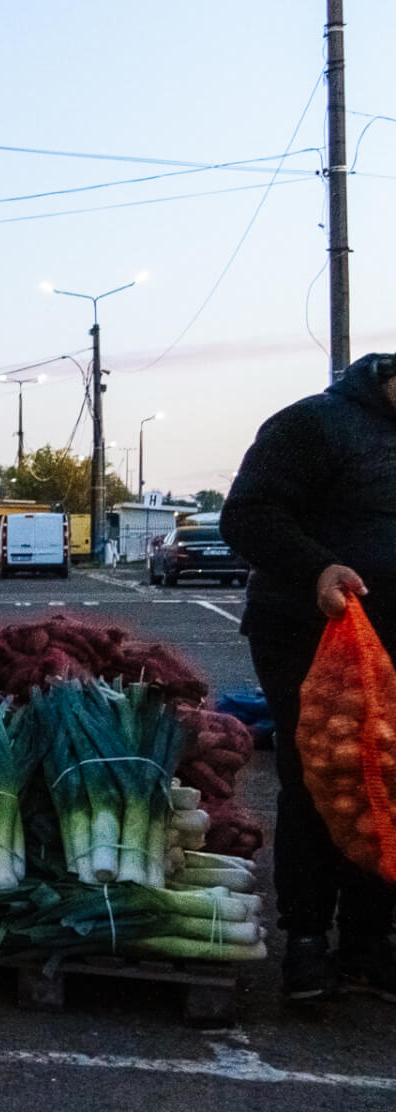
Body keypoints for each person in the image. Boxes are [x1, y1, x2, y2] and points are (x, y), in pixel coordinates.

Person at [223, 351, 396, 1001]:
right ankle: (305, 940)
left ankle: (368, 941)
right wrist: (318, 567)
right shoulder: (314, 426)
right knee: (323, 777)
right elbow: (248, 515)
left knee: (385, 782)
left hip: (390, 643)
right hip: (308, 633)